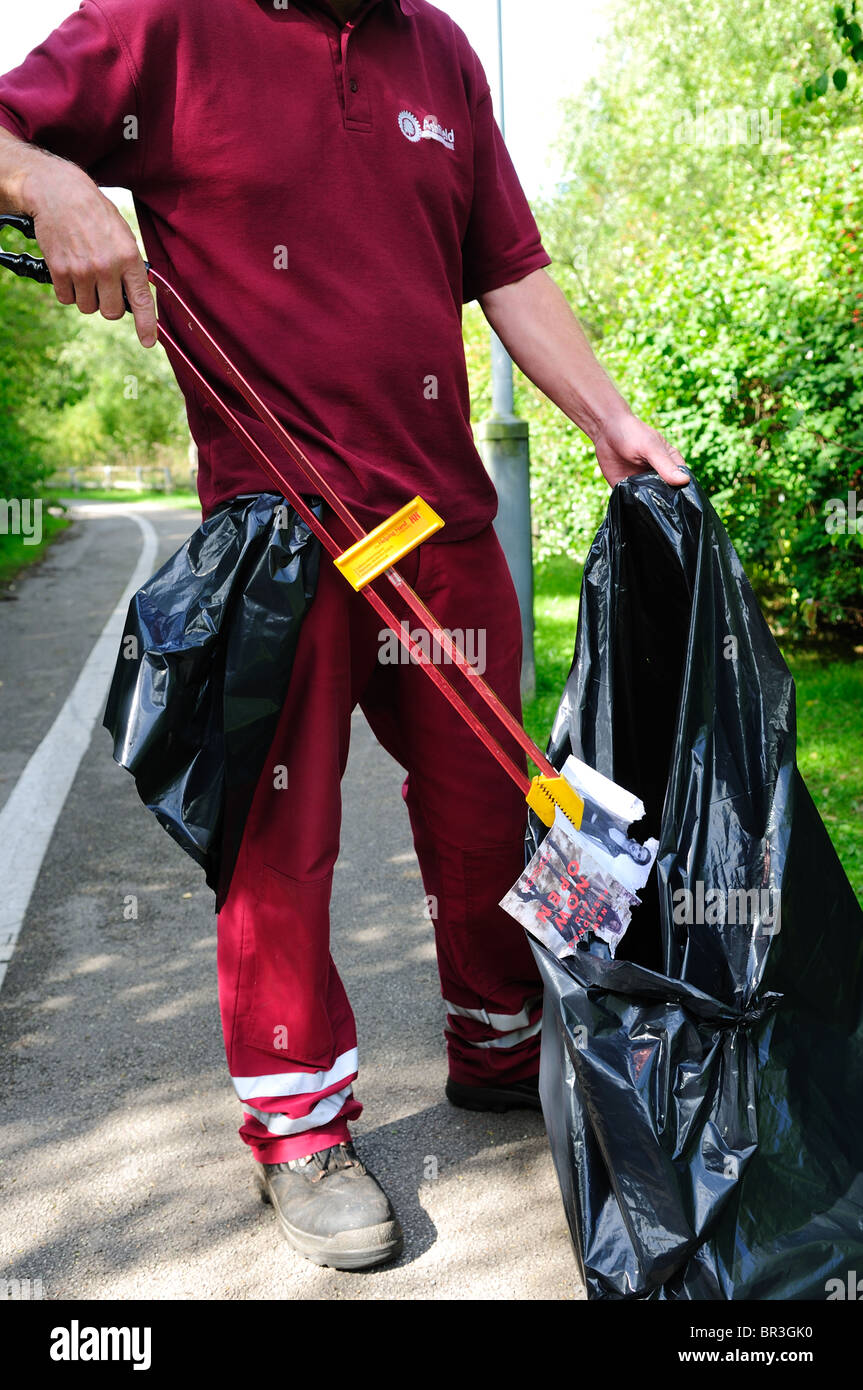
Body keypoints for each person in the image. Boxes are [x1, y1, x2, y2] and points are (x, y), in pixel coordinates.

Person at [0, 0, 689, 1273]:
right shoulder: (160, 25)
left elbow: (510, 272)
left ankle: (496, 1044)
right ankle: (299, 1125)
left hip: (441, 527)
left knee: (495, 805)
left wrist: (608, 417)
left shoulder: (437, 49)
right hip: (278, 530)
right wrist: (48, 177)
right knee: (282, 839)